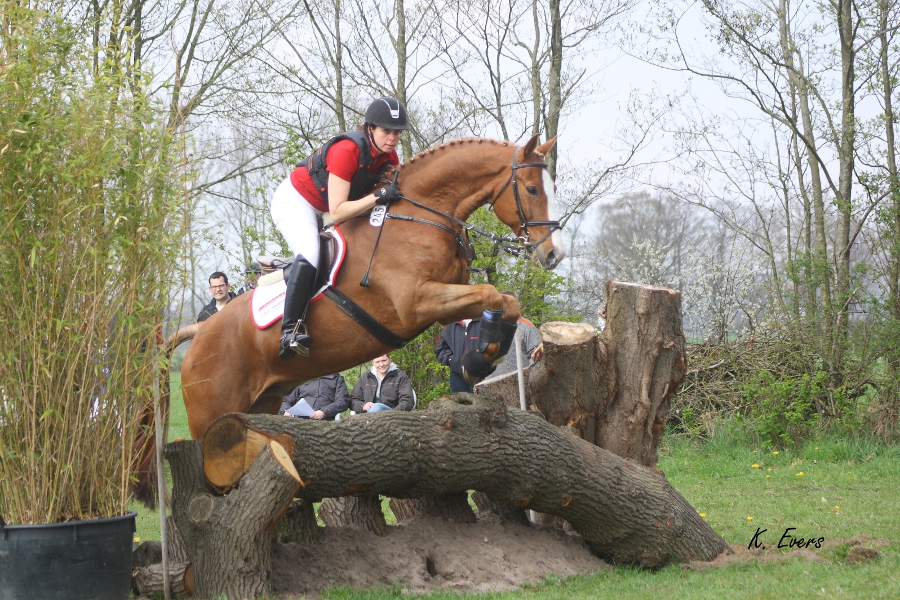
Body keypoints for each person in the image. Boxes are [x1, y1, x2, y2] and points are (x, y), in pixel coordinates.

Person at [270, 97, 408, 359]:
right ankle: (290, 332)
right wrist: (378, 197)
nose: (392, 138)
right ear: (370, 129)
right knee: (310, 253)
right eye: (386, 131)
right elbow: (338, 210)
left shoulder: (388, 156)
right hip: (296, 201)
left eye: (396, 133)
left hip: (326, 206)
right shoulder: (348, 150)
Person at [350, 354, 415, 413]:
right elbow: (353, 400)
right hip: (367, 415)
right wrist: (363, 406)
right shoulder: (366, 377)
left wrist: (393, 414)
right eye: (377, 362)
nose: (381, 365)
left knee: (377, 407)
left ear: (390, 360)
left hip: (392, 414)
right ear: (372, 363)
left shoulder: (400, 377)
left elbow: (407, 401)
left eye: (384, 360)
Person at [434, 318, 482, 393]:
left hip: (481, 377)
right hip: (457, 377)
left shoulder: (484, 322)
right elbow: (440, 350)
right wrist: (452, 360)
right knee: (460, 404)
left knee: (482, 404)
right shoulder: (450, 325)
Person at [280, 374, 351, 420]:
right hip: (298, 419)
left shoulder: (337, 380)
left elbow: (342, 402)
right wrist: (286, 411)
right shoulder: (302, 378)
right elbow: (287, 400)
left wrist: (324, 412)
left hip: (325, 420)